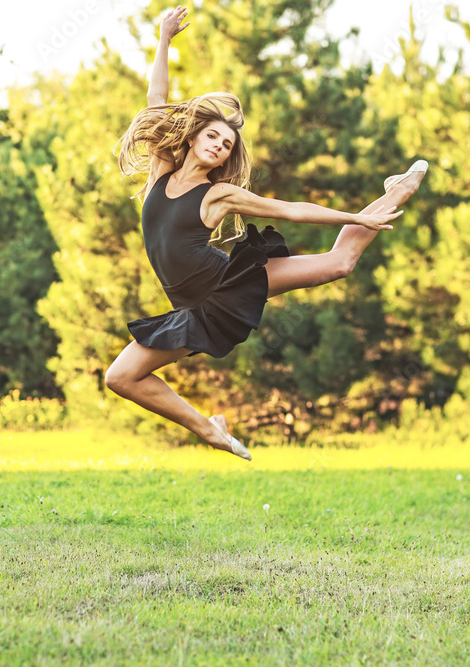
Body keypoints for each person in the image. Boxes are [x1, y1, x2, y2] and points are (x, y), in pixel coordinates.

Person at [105, 5, 427, 460]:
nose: (220, 146)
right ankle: (211, 430)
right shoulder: (160, 170)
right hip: (189, 305)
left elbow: (289, 209)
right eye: (214, 137)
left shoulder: (216, 195)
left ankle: (397, 192)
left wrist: (356, 218)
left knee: (340, 262)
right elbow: (156, 99)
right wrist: (163, 41)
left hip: (225, 285)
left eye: (227, 145)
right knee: (119, 377)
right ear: (195, 136)